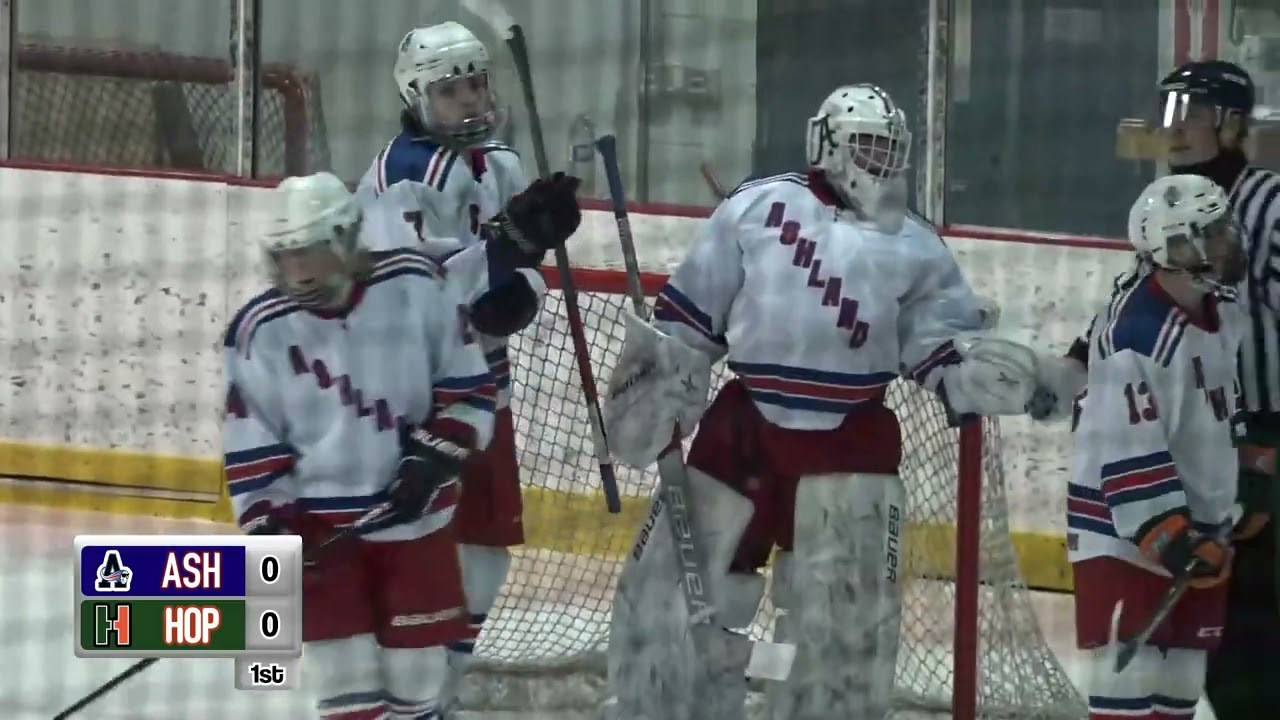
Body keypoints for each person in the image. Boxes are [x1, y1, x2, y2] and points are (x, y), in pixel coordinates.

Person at [599, 83, 1072, 720]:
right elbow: (692, 312)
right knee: (669, 598)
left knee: (843, 630)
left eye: (890, 149)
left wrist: (975, 372)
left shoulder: (914, 242)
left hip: (852, 437)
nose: (880, 161)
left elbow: (936, 341)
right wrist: (655, 383)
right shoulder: (759, 206)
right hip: (744, 427)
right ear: (828, 143)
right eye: (867, 145)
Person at [222, 169, 580, 719]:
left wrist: (433, 458)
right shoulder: (259, 330)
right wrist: (272, 526)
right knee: (345, 681)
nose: (296, 271)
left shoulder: (415, 287)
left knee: (417, 684)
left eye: (309, 252)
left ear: (345, 237)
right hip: (320, 539)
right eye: (285, 255)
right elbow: (251, 450)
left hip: (415, 528)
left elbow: (468, 390)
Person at [1050, 60, 1280, 719]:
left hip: (1256, 431)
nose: (1172, 130)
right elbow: (1130, 313)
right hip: (1204, 443)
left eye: (1191, 114)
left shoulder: (1267, 204)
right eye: (1167, 113)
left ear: (1233, 125)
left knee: (1248, 631)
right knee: (1199, 651)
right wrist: (1074, 363)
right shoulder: (1170, 209)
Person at [354, 20, 543, 684]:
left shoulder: (503, 162)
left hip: (487, 389)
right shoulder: (401, 175)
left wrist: (525, 282)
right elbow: (409, 293)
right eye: (451, 88)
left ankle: (444, 686)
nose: (471, 98)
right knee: (414, 548)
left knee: (487, 555)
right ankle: (391, 681)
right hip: (415, 396)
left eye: (477, 82)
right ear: (415, 95)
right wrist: (500, 262)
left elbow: (518, 272)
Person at [1066, 172, 1247, 720]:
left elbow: (1216, 415)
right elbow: (1126, 450)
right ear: (1177, 246)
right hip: (1125, 536)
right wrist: (1171, 537)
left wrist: (1234, 495)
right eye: (1212, 232)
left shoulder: (1219, 311)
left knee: (1181, 685)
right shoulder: (1138, 335)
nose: (1227, 241)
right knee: (1128, 687)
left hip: (1197, 532)